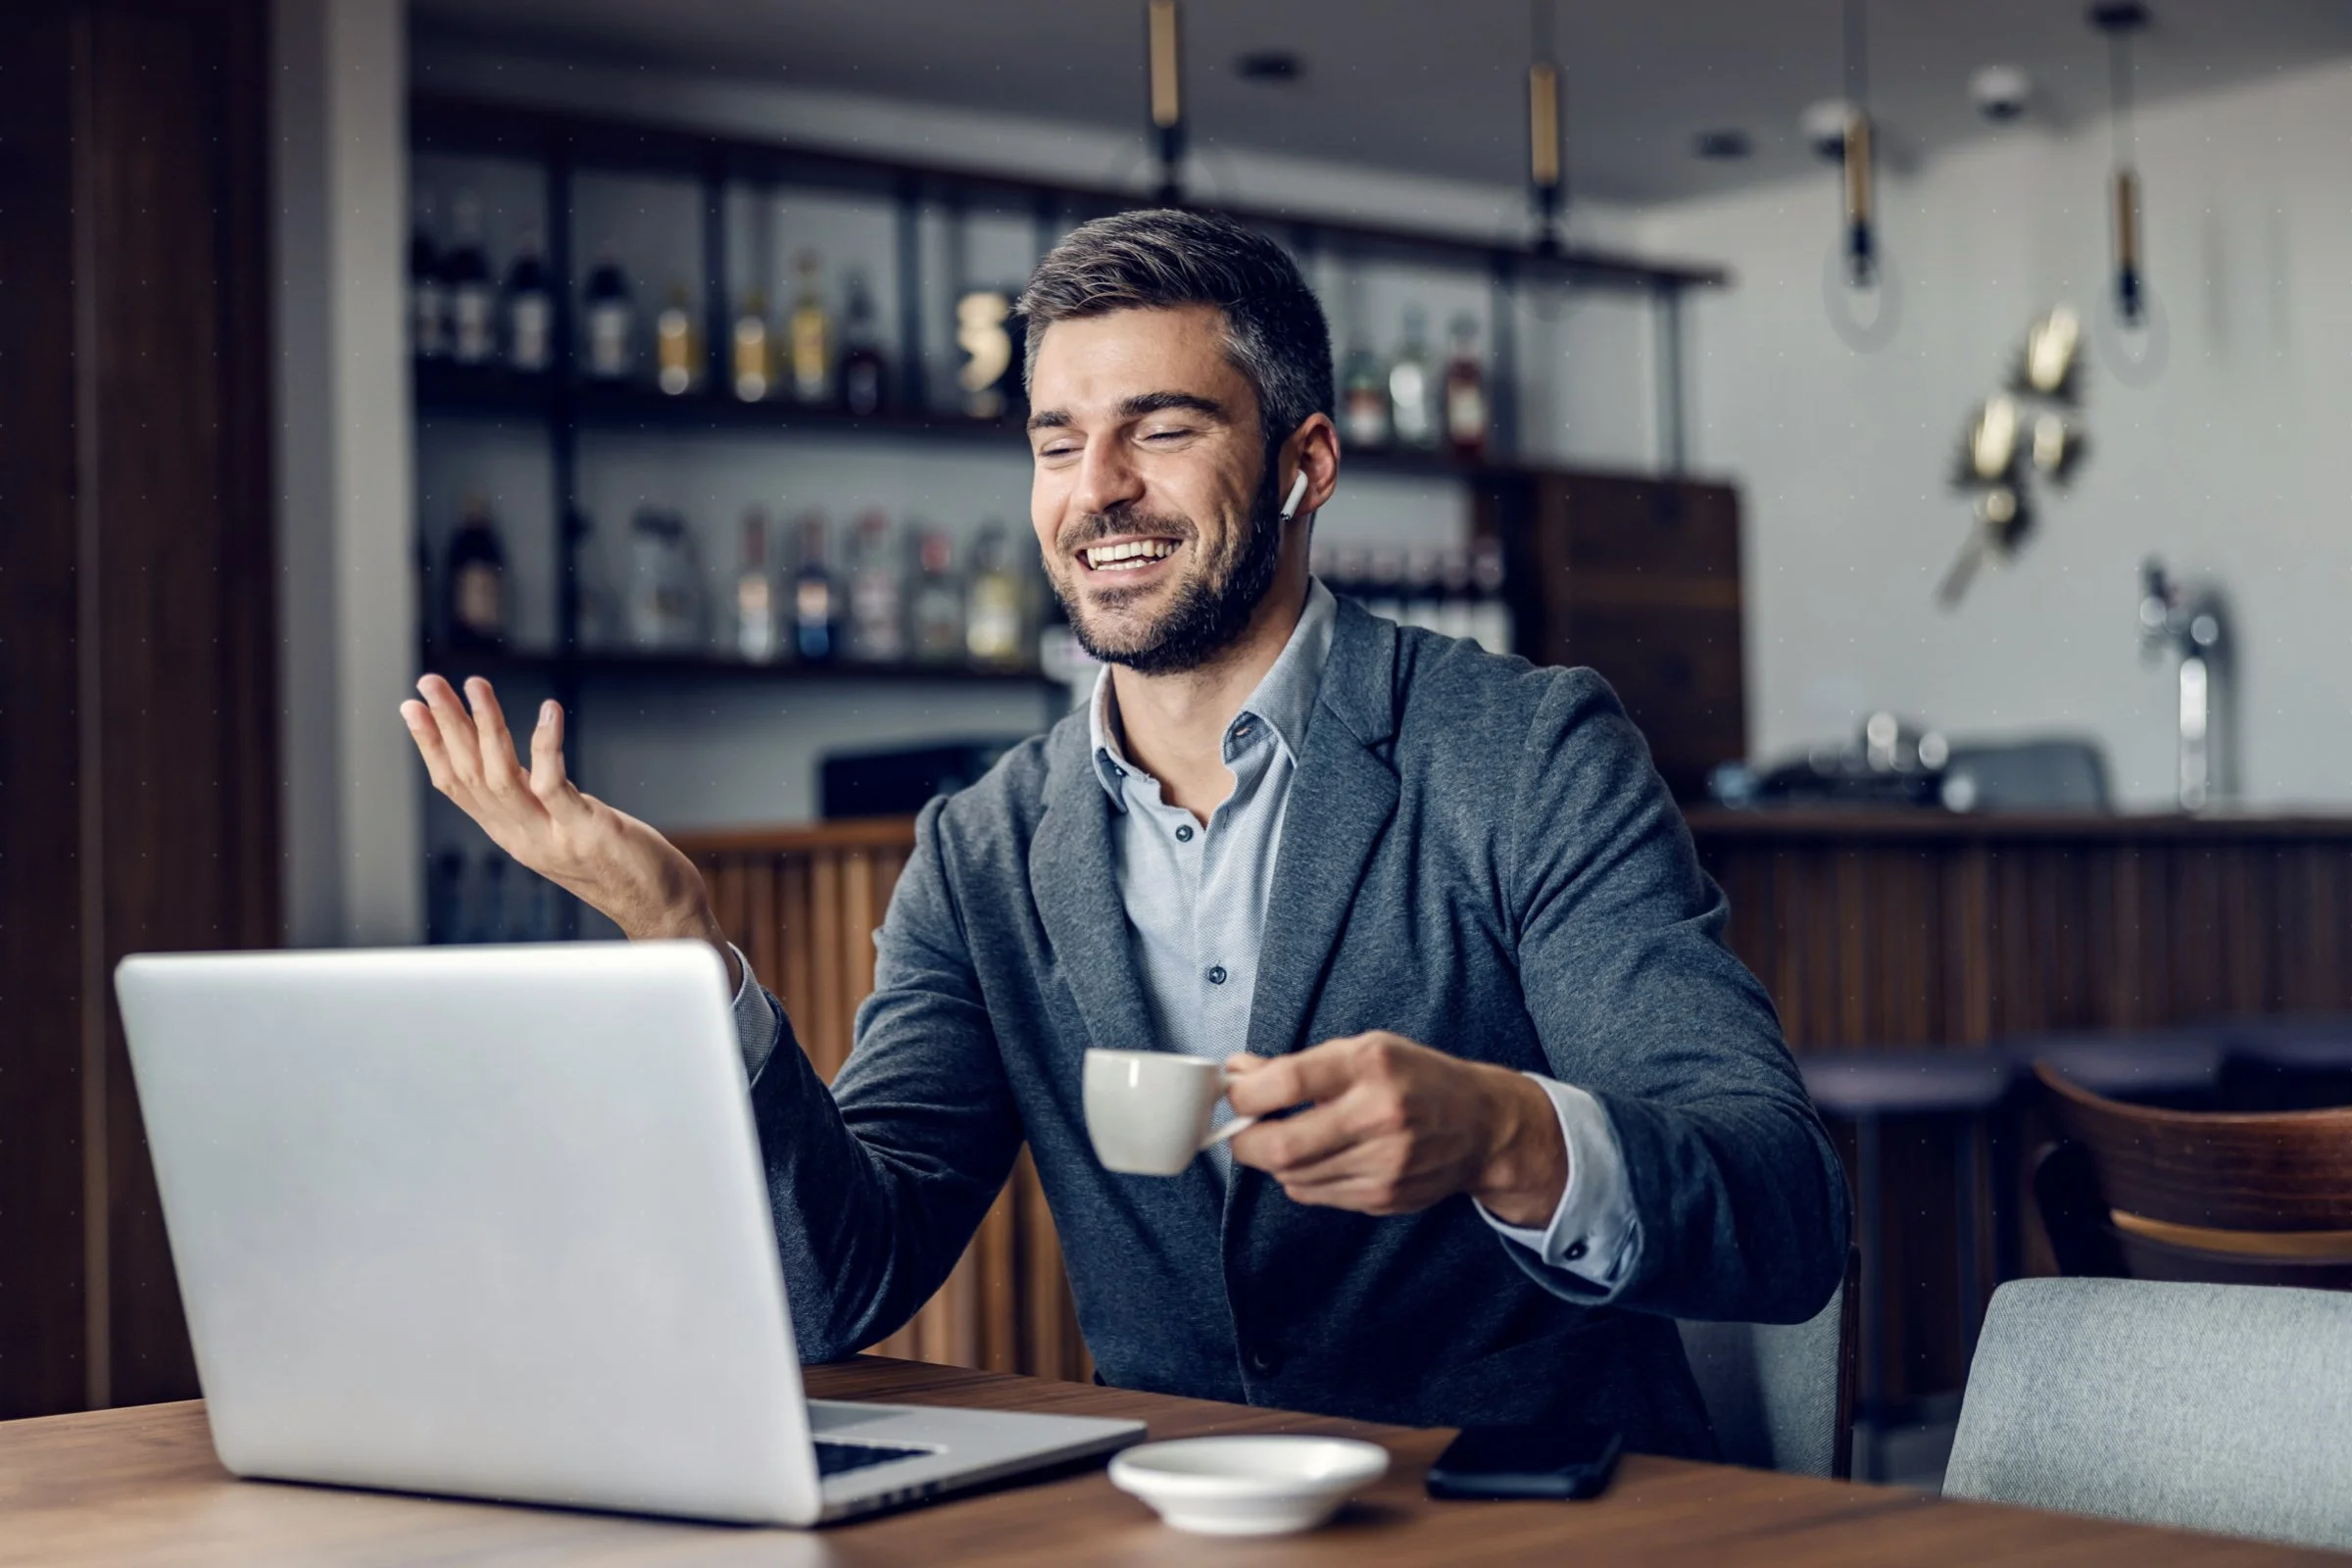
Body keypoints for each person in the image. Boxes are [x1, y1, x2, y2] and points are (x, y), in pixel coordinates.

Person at [400, 209, 1847, 1458]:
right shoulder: (980, 847)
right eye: (1057, 442)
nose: (1097, 491)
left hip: (1530, 1513)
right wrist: (677, 945)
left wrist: (1505, 1134)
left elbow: (1782, 1208)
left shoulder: (1525, 752)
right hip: (1171, 1521)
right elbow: (843, 1277)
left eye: (1160, 428)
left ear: (1307, 463)